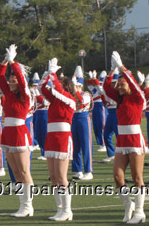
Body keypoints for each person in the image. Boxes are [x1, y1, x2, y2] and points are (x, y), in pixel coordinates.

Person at [103, 51, 149, 224]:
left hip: (135, 140)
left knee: (137, 177)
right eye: (119, 85)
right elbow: (107, 87)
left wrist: (122, 67)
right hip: (122, 140)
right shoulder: (118, 99)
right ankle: (128, 205)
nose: (120, 87)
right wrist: (112, 71)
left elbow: (135, 85)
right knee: (117, 176)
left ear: (130, 85)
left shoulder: (137, 97)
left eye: (123, 84)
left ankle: (140, 211)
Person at [0, 44, 34, 217]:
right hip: (8, 133)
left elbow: (21, 77)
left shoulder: (25, 95)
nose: (11, 82)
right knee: (15, 172)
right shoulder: (9, 94)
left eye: (14, 80)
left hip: (19, 133)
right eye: (10, 80)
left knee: (24, 171)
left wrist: (13, 62)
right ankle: (22, 204)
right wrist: (5, 60)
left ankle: (28, 206)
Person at [39, 58, 75, 222]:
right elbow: (41, 87)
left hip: (62, 138)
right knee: (53, 176)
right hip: (51, 138)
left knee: (61, 176)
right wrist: (48, 73)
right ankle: (60, 209)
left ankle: (67, 210)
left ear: (66, 86)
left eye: (60, 83)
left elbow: (58, 89)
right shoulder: (53, 100)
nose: (56, 85)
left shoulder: (70, 100)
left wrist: (53, 73)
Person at [71, 66, 93, 181]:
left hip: (83, 119)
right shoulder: (72, 94)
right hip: (73, 119)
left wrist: (74, 90)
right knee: (75, 146)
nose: (76, 89)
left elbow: (81, 103)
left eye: (77, 86)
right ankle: (78, 170)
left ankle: (88, 171)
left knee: (86, 145)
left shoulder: (86, 94)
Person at [87, 70, 108, 153]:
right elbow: (89, 86)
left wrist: (94, 78)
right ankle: (100, 143)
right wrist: (90, 78)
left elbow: (99, 87)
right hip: (95, 107)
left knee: (102, 125)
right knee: (96, 126)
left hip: (101, 106)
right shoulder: (95, 89)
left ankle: (104, 144)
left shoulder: (102, 88)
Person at [31, 72, 49, 160]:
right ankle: (43, 152)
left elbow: (45, 103)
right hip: (38, 113)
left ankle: (46, 152)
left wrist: (37, 95)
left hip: (45, 113)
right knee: (38, 133)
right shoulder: (38, 93)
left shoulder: (49, 93)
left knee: (45, 133)